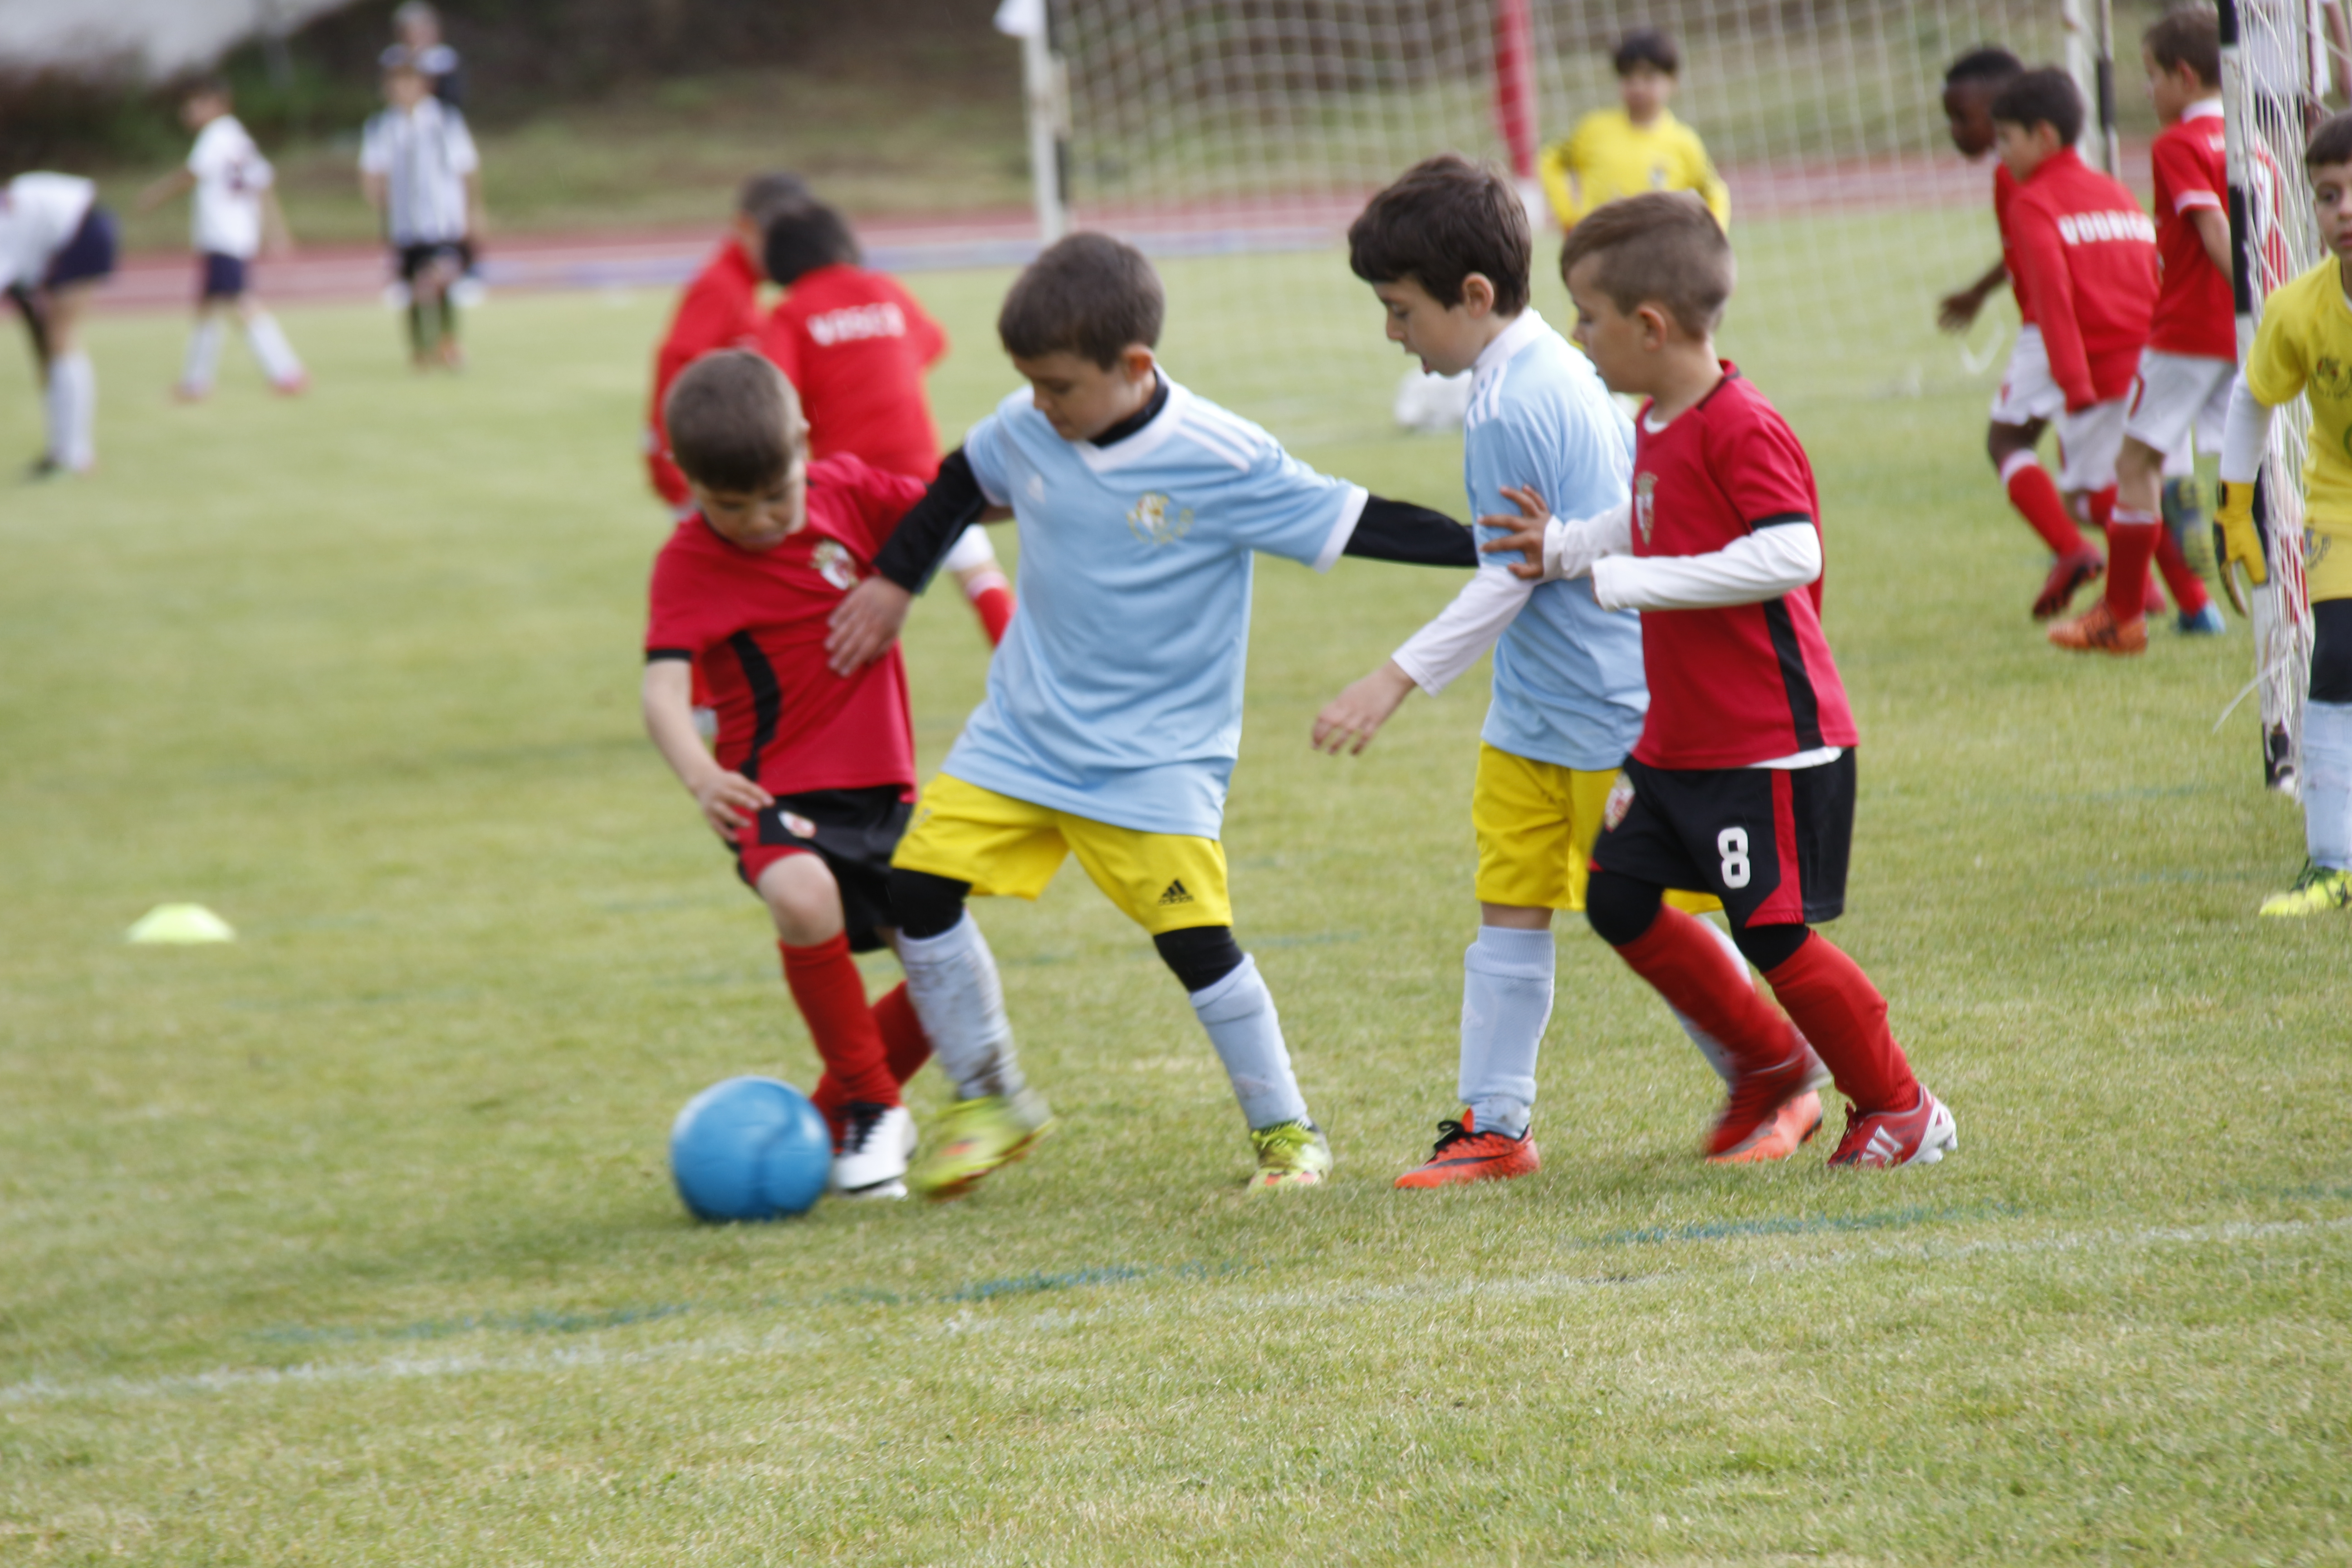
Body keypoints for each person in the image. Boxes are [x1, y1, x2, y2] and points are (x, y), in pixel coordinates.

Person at [823, 232, 1481, 1199]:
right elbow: (962, 478)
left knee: (1195, 945)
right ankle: (988, 1095)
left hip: (1155, 759)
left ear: (1134, 368)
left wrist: (1496, 551)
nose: (1038, 407)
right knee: (918, 891)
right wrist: (893, 583)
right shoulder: (1030, 421)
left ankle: (1289, 1135)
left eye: (1058, 387)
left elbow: (1361, 519)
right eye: (1031, 387)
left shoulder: (1222, 458)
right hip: (1024, 730)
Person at [1313, 155, 1823, 1186]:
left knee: (1652, 917)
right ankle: (1494, 1123)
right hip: (1531, 714)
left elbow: (1511, 574)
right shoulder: (1523, 375)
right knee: (1508, 904)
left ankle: (1781, 1074)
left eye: (1399, 309)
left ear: (1471, 296)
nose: (1390, 332)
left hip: (1607, 707)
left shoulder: (1522, 396)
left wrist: (1393, 678)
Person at [1490, 193, 1957, 1168]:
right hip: (1677, 744)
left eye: (1587, 317)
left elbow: (1789, 552)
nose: (1578, 339)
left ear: (1649, 326)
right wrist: (1573, 546)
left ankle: (1901, 1108)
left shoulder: (1743, 423)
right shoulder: (1659, 418)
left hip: (1767, 743)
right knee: (1615, 898)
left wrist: (1635, 582)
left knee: (1776, 937)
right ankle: (1767, 1067)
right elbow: (1657, 517)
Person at [642, 350, 942, 1196]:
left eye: (776, 494)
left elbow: (954, 510)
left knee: (943, 972)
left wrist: (900, 582)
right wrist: (702, 777)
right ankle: (880, 1107)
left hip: (882, 795)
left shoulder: (849, 492)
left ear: (804, 444)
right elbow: (662, 691)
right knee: (802, 896)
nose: (760, 521)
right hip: (770, 793)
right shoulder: (688, 561)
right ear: (688, 483)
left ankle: (823, 1121)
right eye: (728, 506)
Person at [2063, 10, 2238, 656]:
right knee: (2245, 456)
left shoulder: (2176, 145)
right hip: (2239, 334)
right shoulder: (2249, 136)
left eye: (2152, 76)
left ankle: (2123, 614)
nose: (2147, 91)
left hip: (2189, 331)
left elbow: (2212, 227)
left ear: (2184, 76)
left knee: (2136, 461)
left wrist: (2252, 304)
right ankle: (2283, 585)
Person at [759, 201, 1014, 646]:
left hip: (847, 488)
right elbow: (932, 343)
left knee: (844, 607)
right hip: (923, 473)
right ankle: (1029, 674)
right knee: (976, 569)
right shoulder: (885, 290)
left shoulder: (790, 313)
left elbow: (772, 390)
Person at [2217, 112, 2352, 915]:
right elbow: (2249, 398)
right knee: (2336, 655)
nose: (2342, 210)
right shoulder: (2297, 309)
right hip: (2339, 501)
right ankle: (2330, 863)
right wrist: (2235, 509)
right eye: (2327, 195)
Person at [1988, 68, 2160, 633]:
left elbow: (2053, 297)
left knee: (2075, 482)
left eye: (2004, 139)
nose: (1999, 152)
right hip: (2144, 349)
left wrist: (2076, 384)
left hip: (2077, 347)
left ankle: (2124, 580)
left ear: (2042, 136)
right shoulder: (2114, 190)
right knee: (2138, 476)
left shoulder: (2029, 195)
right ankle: (2170, 597)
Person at [645, 172, 810, 519]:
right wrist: (674, 476)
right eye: (782, 240)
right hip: (710, 478)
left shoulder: (747, 290)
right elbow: (674, 367)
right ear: (746, 228)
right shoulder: (722, 288)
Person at [134, 77, 307, 402]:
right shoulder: (237, 136)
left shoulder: (216, 135)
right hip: (233, 231)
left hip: (224, 232)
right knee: (207, 306)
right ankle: (196, 381)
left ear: (217, 104)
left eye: (196, 103)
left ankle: (287, 371)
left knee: (241, 302)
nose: (189, 110)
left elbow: (192, 173)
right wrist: (275, 230)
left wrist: (154, 196)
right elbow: (263, 183)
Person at [360, 49, 483, 370]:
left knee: (442, 278)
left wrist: (473, 211)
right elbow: (372, 170)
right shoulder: (383, 126)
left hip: (442, 217)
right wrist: (377, 197)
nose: (402, 90)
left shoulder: (444, 120)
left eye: (409, 82)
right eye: (396, 83)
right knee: (413, 286)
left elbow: (466, 168)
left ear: (424, 85)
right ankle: (420, 350)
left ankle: (448, 342)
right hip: (406, 220)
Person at [1538, 27, 1729, 234]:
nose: (1637, 86)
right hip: (1598, 249)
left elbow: (1715, 192)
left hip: (1661, 253)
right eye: (1628, 76)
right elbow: (1550, 160)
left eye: (1649, 77)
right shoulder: (1593, 129)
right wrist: (1569, 217)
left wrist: (1713, 235)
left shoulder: (1684, 142)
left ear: (1673, 81)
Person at [0, 171, 116, 478]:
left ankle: (77, 454)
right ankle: (63, 449)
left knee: (61, 340)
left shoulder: (8, 222)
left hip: (83, 235)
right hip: (64, 243)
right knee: (51, 347)